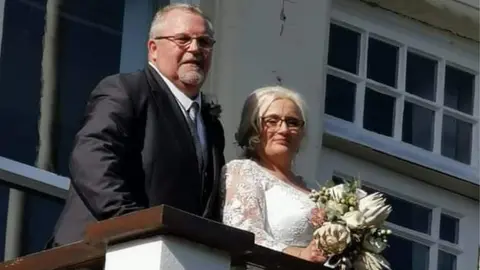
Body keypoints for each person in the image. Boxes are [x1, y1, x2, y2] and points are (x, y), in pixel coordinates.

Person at [49, 3, 225, 247]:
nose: (195, 49)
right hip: (102, 253)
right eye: (183, 39)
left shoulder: (210, 125)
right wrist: (134, 226)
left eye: (204, 42)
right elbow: (91, 159)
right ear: (153, 49)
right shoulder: (126, 91)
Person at [221, 86, 326, 263]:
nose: (284, 130)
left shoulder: (313, 190)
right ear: (254, 127)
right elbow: (244, 235)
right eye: (272, 120)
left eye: (292, 122)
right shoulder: (244, 171)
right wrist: (301, 255)